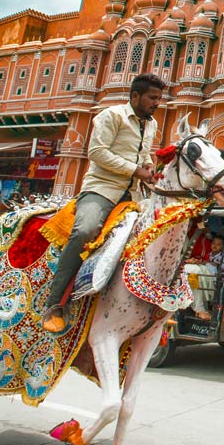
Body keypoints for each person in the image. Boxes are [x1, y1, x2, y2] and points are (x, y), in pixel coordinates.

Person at [42, 73, 165, 332]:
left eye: (159, 99)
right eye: (152, 98)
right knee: (85, 231)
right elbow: (96, 152)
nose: (157, 103)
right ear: (135, 96)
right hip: (102, 190)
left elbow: (143, 155)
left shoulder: (151, 124)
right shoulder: (112, 116)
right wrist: (135, 170)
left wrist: (149, 167)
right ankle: (54, 304)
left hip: (133, 195)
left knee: (156, 236)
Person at [185, 235, 224, 320]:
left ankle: (205, 304)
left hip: (216, 276)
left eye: (218, 244)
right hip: (204, 274)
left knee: (204, 270)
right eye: (214, 243)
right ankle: (199, 308)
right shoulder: (208, 254)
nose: (215, 246)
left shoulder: (223, 257)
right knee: (196, 272)